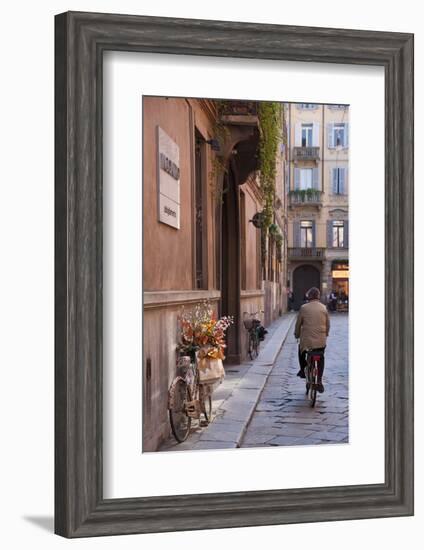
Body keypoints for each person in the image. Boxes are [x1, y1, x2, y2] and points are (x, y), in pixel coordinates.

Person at [294, 287, 330, 393]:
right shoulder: (324, 308)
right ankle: (319, 381)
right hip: (320, 341)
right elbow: (328, 325)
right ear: (318, 296)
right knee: (321, 358)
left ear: (308, 296)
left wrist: (297, 335)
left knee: (301, 352)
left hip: (307, 341)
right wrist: (326, 334)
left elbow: (298, 324)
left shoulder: (304, 308)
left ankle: (302, 370)